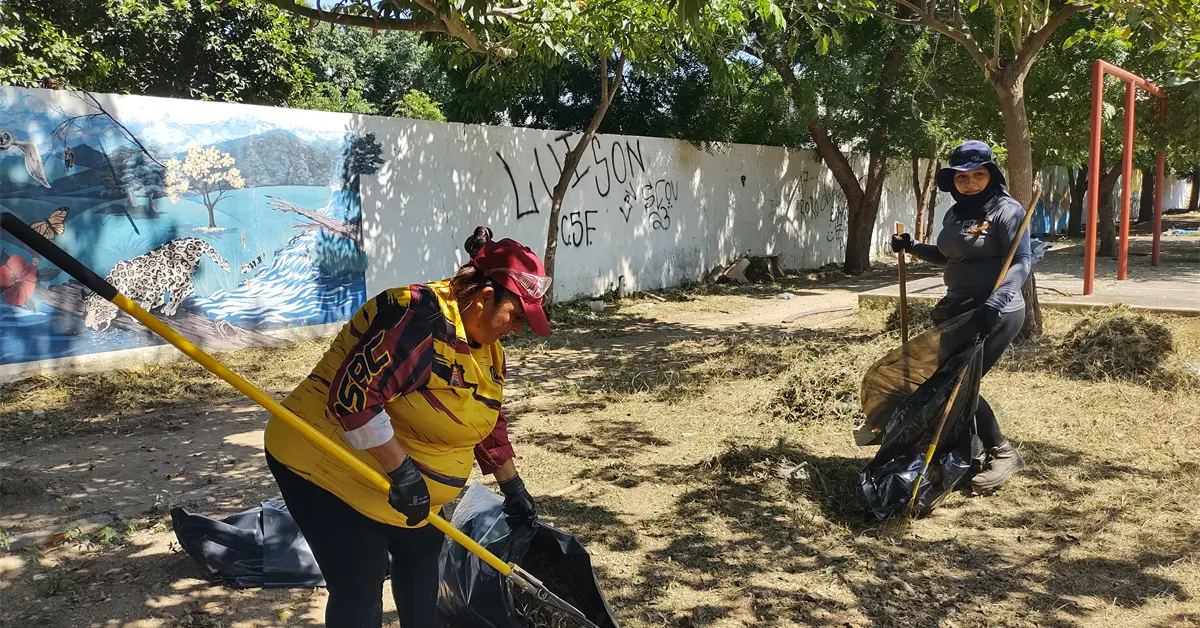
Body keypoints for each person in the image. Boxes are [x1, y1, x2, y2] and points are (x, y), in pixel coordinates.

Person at [263, 226, 549, 627]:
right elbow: (354, 396)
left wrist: (513, 488)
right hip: (322, 458)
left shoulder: (485, 343)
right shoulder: (418, 321)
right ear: (485, 298)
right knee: (361, 572)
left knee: (421, 552)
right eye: (515, 316)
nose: (517, 329)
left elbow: (483, 415)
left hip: (389, 473)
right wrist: (403, 473)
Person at [891, 140, 1030, 494]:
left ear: (991, 175)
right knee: (950, 380)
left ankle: (1003, 453)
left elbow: (1022, 262)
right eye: (962, 177)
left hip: (997, 310)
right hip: (958, 308)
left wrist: (995, 303)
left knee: (958, 381)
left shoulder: (1006, 210)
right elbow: (949, 255)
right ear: (952, 181)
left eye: (978, 175)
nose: (970, 183)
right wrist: (912, 248)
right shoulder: (955, 213)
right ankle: (970, 450)